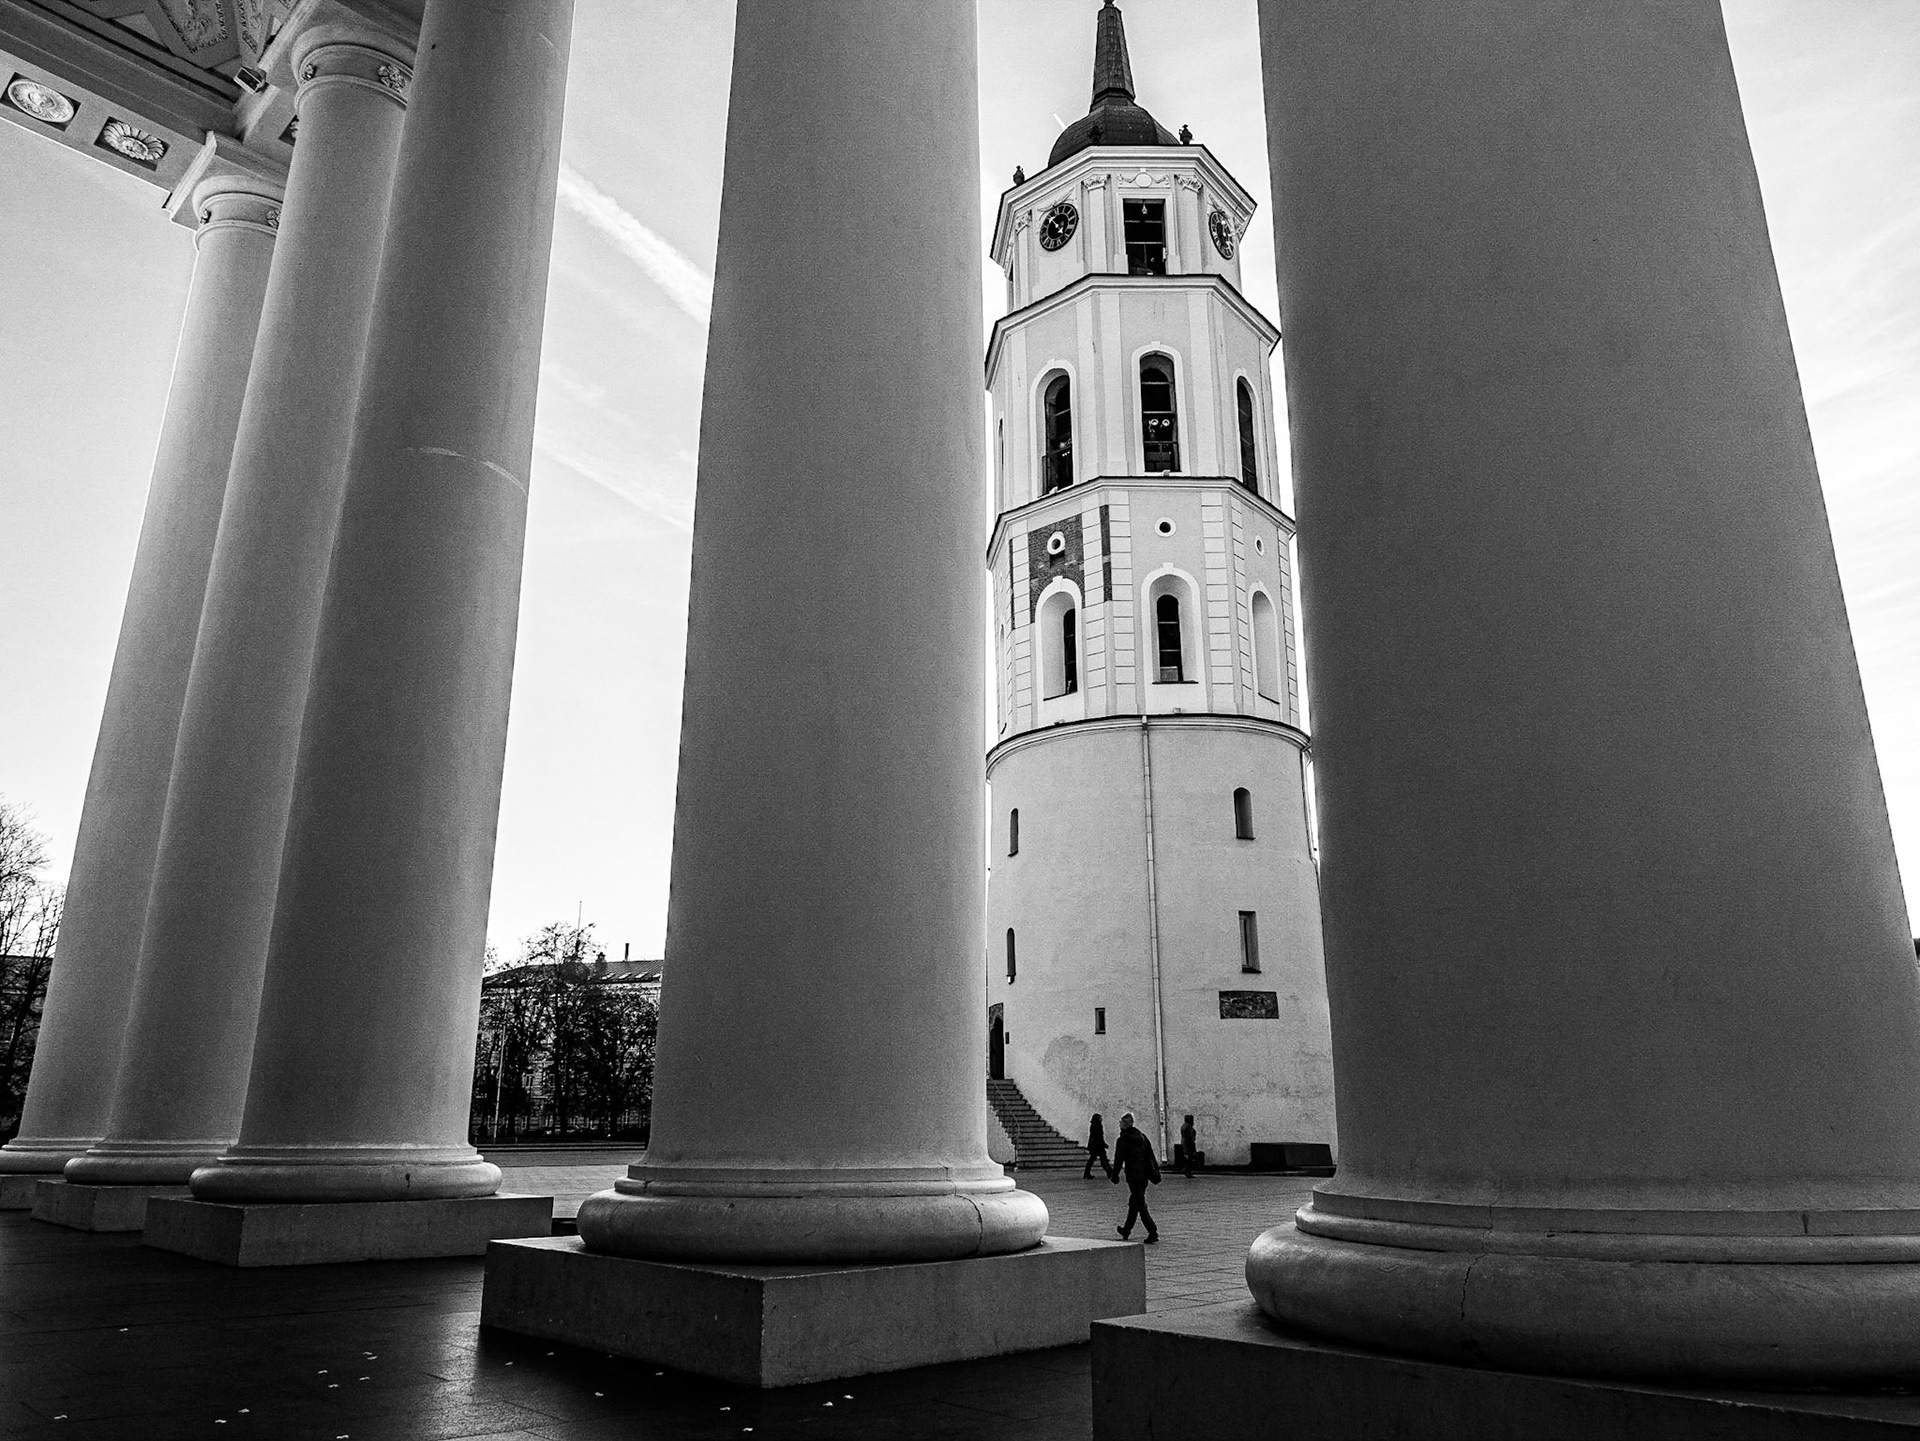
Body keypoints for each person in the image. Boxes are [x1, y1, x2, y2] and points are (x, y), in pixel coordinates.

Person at [1109, 1110, 1160, 1242]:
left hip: (1133, 1176)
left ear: (1124, 1124)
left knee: (1140, 1204)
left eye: (1120, 1122)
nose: (1119, 1124)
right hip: (1144, 1175)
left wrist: (1114, 1175)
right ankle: (1126, 1230)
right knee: (1134, 1203)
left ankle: (1152, 1231)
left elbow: (1119, 1158)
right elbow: (1150, 1155)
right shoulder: (1142, 1137)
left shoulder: (1123, 1140)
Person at [1083, 1112, 1110, 1180]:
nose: (1102, 1119)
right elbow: (1098, 1137)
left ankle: (1086, 1173)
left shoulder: (1095, 1125)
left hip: (1095, 1145)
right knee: (1103, 1159)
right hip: (1097, 1146)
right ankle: (1109, 1172)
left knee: (1093, 1160)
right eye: (1100, 1118)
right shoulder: (1096, 1126)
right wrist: (1103, 1144)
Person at [1179, 1114, 1197, 1179]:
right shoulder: (1188, 1127)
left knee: (1187, 1157)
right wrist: (1193, 1147)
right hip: (1188, 1143)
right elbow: (1190, 1137)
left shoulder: (1184, 1126)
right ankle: (1188, 1171)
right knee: (1190, 1157)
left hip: (1184, 1143)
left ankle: (1186, 1170)